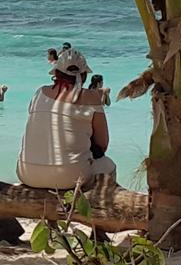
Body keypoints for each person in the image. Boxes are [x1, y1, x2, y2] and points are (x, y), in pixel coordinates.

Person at [17, 49, 116, 190]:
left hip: (26, 172)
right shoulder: (92, 97)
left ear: (56, 73)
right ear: (84, 75)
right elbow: (102, 144)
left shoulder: (40, 93)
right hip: (69, 177)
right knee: (108, 165)